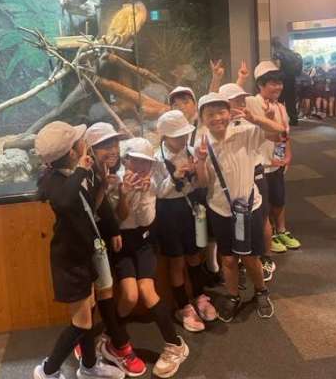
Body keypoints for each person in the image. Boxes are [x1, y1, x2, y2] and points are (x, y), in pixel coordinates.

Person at [33, 121, 125, 379]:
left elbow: (88, 209)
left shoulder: (70, 174)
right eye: (80, 141)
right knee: (82, 323)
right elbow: (64, 201)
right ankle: (47, 371)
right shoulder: (56, 180)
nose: (84, 143)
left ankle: (89, 366)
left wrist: (102, 185)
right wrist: (83, 170)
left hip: (83, 256)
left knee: (89, 311)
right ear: (73, 151)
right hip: (70, 262)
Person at [197, 92, 285, 322]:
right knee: (228, 259)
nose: (217, 118)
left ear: (229, 112)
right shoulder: (202, 143)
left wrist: (256, 118)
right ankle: (233, 295)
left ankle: (261, 291)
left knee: (250, 258)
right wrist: (200, 161)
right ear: (202, 118)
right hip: (220, 209)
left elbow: (279, 132)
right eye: (210, 114)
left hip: (248, 207)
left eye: (221, 111)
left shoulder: (245, 131)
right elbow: (203, 183)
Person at [108, 137, 189, 378]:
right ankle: (114, 336)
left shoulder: (151, 183)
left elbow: (146, 221)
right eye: (136, 161)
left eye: (146, 162)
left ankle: (175, 344)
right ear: (126, 160)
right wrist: (124, 193)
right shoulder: (114, 182)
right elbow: (118, 220)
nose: (142, 167)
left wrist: (143, 195)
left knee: (146, 290)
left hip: (144, 243)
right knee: (129, 296)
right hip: (122, 244)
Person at [84, 122, 146, 377]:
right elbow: (86, 212)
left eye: (114, 143)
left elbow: (117, 216)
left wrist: (122, 192)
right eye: (104, 145)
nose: (112, 149)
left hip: (106, 242)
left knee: (105, 292)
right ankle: (92, 343)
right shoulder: (85, 174)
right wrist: (102, 186)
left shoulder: (117, 172)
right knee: (90, 297)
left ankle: (111, 343)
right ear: (90, 149)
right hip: (86, 242)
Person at [152, 110, 217, 333]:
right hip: (168, 211)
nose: (182, 139)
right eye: (177, 136)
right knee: (177, 260)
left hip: (192, 207)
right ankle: (183, 307)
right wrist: (175, 176)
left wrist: (200, 164)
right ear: (165, 136)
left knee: (195, 255)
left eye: (183, 134)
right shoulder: (156, 158)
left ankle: (200, 296)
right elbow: (158, 193)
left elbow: (201, 184)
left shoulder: (191, 151)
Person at [219, 83, 275, 282]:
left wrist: (266, 119)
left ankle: (265, 257)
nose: (242, 103)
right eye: (237, 100)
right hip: (231, 180)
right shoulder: (218, 126)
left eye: (242, 99)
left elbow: (278, 134)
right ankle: (243, 259)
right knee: (237, 218)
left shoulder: (248, 122)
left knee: (261, 218)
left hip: (254, 173)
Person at [246, 61, 301, 254]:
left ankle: (281, 230)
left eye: (280, 83)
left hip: (276, 162)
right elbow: (261, 132)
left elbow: (284, 135)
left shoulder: (280, 107)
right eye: (273, 83)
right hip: (260, 163)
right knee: (264, 201)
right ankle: (268, 234)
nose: (278, 87)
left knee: (279, 199)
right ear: (260, 84)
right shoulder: (252, 103)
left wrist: (286, 155)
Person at [271, 37, 302, 125]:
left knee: (279, 99)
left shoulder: (277, 52)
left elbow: (277, 66)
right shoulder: (289, 51)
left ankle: (279, 119)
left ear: (273, 45)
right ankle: (294, 119)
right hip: (291, 78)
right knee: (290, 99)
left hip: (282, 78)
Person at [327, 51, 336, 118]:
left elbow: (327, 72)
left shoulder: (329, 64)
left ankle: (331, 114)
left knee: (331, 100)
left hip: (331, 84)